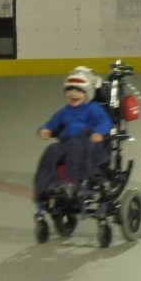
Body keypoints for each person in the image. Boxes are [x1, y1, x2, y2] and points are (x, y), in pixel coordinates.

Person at [33, 66, 113, 199]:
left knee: (74, 146)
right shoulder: (65, 110)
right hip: (68, 142)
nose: (73, 93)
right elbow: (52, 122)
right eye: (69, 89)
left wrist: (98, 133)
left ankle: (72, 182)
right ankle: (46, 184)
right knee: (52, 150)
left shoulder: (93, 108)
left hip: (87, 143)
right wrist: (45, 129)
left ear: (87, 93)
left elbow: (104, 121)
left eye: (78, 90)